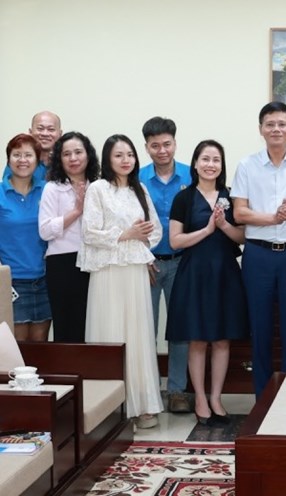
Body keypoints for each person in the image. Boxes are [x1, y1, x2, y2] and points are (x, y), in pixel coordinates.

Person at [231, 101, 286, 397]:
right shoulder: (246, 165)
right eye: (270, 124)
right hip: (257, 255)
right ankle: (262, 399)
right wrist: (272, 218)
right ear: (261, 129)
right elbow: (239, 214)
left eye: (282, 124)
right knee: (260, 329)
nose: (276, 129)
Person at [79, 134, 163, 429]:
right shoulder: (98, 189)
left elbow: (155, 231)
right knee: (110, 331)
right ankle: (109, 408)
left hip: (134, 271)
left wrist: (138, 239)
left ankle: (142, 404)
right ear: (107, 159)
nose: (126, 160)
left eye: (129, 154)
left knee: (138, 334)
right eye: (118, 155)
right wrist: (124, 235)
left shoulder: (140, 189)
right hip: (108, 272)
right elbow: (89, 232)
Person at [166, 140, 248, 424]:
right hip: (194, 274)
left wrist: (224, 226)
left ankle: (216, 397)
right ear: (196, 163)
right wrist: (208, 229)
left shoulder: (232, 196)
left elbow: (242, 238)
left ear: (222, 166)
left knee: (222, 339)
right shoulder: (184, 198)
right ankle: (200, 397)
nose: (211, 164)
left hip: (225, 273)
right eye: (205, 159)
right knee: (198, 339)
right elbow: (175, 241)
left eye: (216, 159)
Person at [139, 117, 193, 413]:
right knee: (144, 328)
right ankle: (147, 390)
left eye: (167, 144)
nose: (162, 150)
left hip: (182, 263)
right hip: (146, 265)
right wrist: (143, 257)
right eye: (155, 145)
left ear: (175, 143)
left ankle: (177, 390)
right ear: (146, 147)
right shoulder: (136, 178)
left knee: (180, 329)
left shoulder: (191, 175)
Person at [38, 132, 100, 343]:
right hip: (62, 262)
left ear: (88, 155)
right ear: (59, 159)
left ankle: (91, 373)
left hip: (95, 262)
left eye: (78, 152)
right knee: (66, 325)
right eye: (66, 154)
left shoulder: (99, 186)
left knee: (93, 323)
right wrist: (76, 211)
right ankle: (68, 375)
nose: (73, 158)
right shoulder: (52, 188)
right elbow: (45, 231)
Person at [0, 134, 51, 340]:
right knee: (17, 350)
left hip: (45, 280)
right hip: (12, 282)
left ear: (37, 160)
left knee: (41, 349)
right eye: (17, 155)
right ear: (8, 159)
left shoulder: (48, 191)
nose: (23, 160)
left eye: (28, 155)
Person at [3, 111, 61, 182]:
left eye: (51, 129)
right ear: (30, 132)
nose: (45, 134)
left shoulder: (66, 162)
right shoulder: (20, 161)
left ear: (60, 134)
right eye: (40, 129)